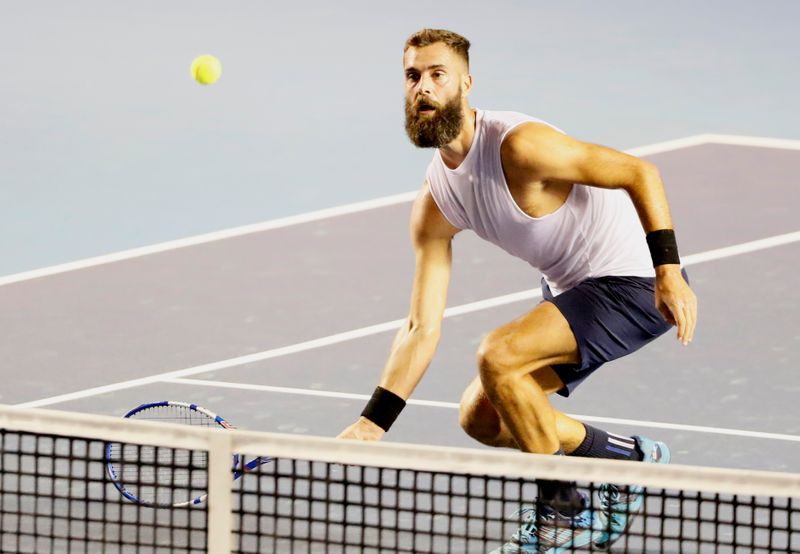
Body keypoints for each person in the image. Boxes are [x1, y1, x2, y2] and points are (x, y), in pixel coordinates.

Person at [337, 28, 698, 552]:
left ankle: (563, 512)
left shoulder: (520, 147)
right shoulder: (436, 202)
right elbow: (420, 327)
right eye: (413, 76)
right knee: (481, 416)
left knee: (499, 354)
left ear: (466, 83)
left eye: (437, 74)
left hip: (635, 280)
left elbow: (639, 172)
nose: (423, 87)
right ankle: (626, 461)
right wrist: (373, 424)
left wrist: (669, 270)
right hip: (573, 290)